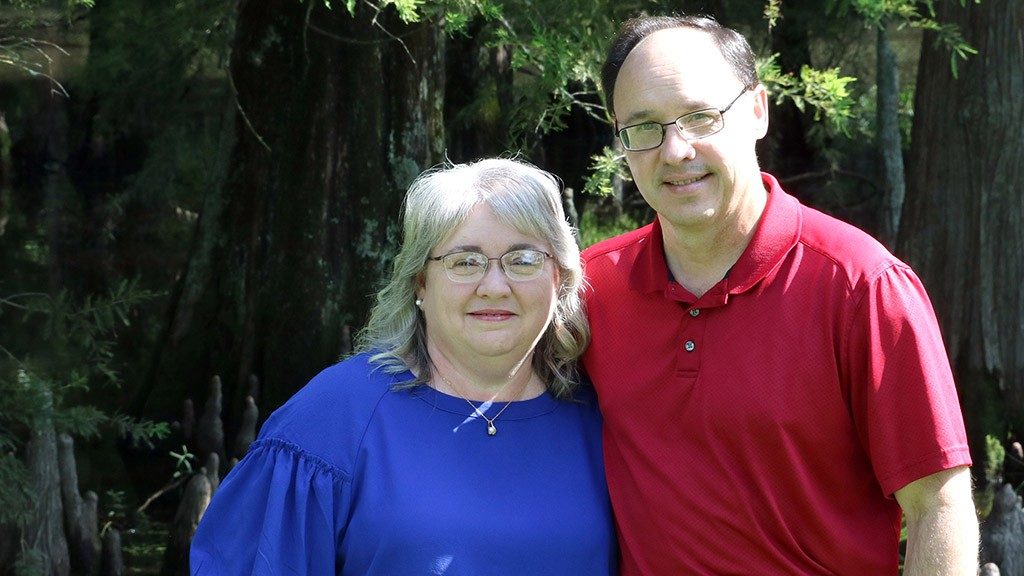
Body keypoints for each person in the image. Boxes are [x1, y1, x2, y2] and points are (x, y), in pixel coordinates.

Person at [581, 14, 978, 575]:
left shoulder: (861, 287)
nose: (675, 151)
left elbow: (939, 505)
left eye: (700, 117)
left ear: (757, 111)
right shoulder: (592, 290)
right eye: (644, 127)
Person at [190, 158, 617, 575]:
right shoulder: (335, 416)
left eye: (523, 260)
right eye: (464, 261)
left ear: (559, 278)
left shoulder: (599, 414)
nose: (494, 286)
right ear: (420, 282)